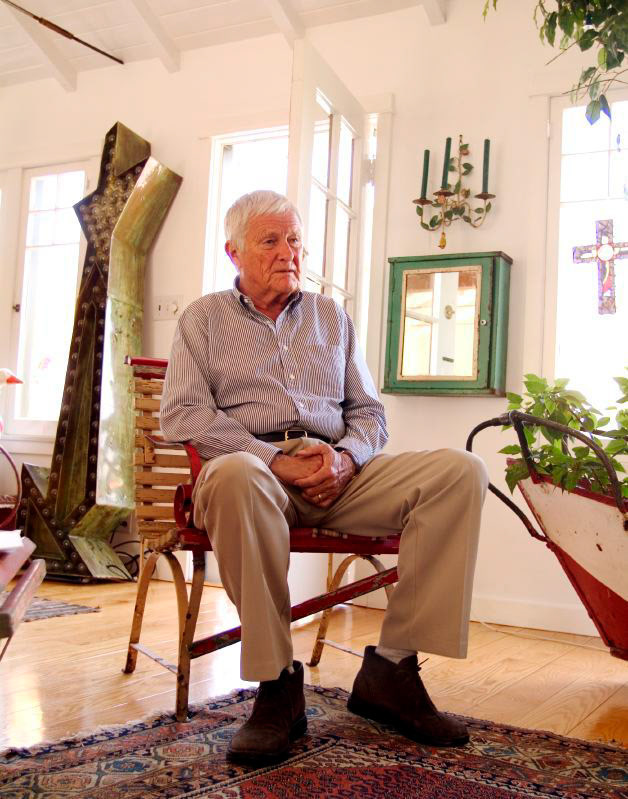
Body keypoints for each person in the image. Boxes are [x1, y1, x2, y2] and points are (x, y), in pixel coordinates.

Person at [161, 189, 488, 764]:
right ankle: (277, 684)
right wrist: (271, 458)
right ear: (234, 251)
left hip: (337, 473)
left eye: (294, 239)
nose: (288, 252)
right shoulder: (202, 319)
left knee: (460, 472)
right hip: (253, 472)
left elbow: (369, 413)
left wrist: (347, 458)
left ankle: (391, 672)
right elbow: (184, 416)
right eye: (270, 241)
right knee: (235, 475)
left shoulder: (331, 317)